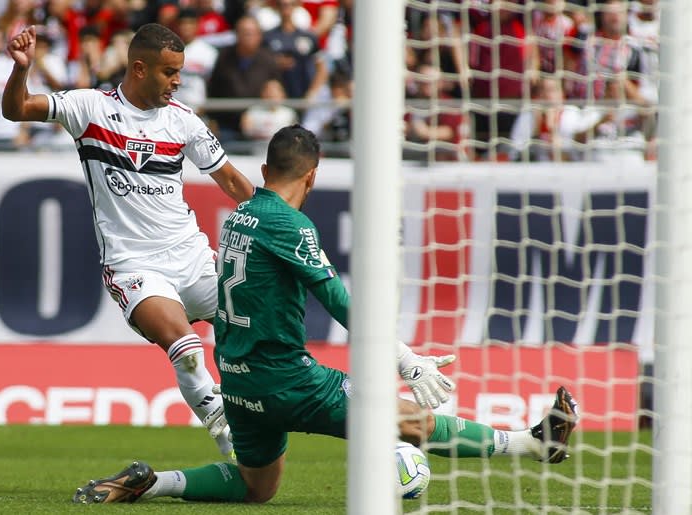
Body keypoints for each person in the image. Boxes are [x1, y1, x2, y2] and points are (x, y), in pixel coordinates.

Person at [71, 125, 581, 505]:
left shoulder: (235, 220)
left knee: (256, 488)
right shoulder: (289, 225)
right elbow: (339, 301)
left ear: (265, 172)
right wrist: (406, 361)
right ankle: (531, 447)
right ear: (311, 177)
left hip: (241, 384)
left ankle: (154, 482)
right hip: (291, 381)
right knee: (412, 421)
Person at [2, 23, 256, 459]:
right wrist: (21, 69)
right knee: (187, 348)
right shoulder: (89, 107)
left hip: (194, 260)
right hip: (135, 265)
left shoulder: (183, 121)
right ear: (139, 68)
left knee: (263, 331)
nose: (178, 81)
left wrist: (279, 220)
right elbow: (18, 108)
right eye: (170, 72)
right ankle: (225, 428)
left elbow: (231, 180)